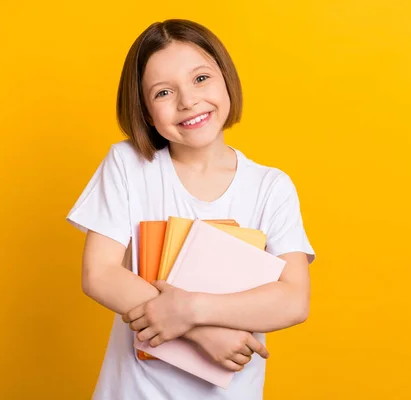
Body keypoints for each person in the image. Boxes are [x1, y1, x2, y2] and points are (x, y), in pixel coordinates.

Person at [66, 18, 315, 400]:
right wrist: (202, 332)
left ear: (226, 78)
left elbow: (293, 299)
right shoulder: (128, 165)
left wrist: (193, 309)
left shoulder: (270, 187)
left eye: (200, 79)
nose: (188, 101)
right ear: (146, 111)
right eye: (163, 92)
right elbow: (99, 273)